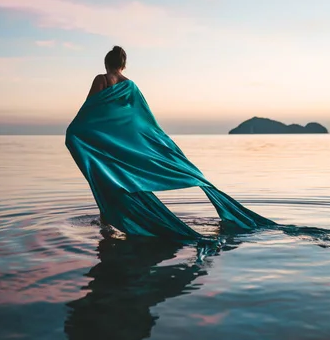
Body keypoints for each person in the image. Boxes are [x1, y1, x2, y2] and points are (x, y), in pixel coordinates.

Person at [65, 46, 275, 241]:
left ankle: (108, 223)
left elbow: (90, 109)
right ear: (123, 64)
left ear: (106, 63)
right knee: (120, 181)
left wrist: (75, 131)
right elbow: (141, 118)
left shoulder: (102, 79)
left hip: (107, 142)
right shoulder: (131, 86)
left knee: (107, 179)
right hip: (125, 143)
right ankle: (114, 220)